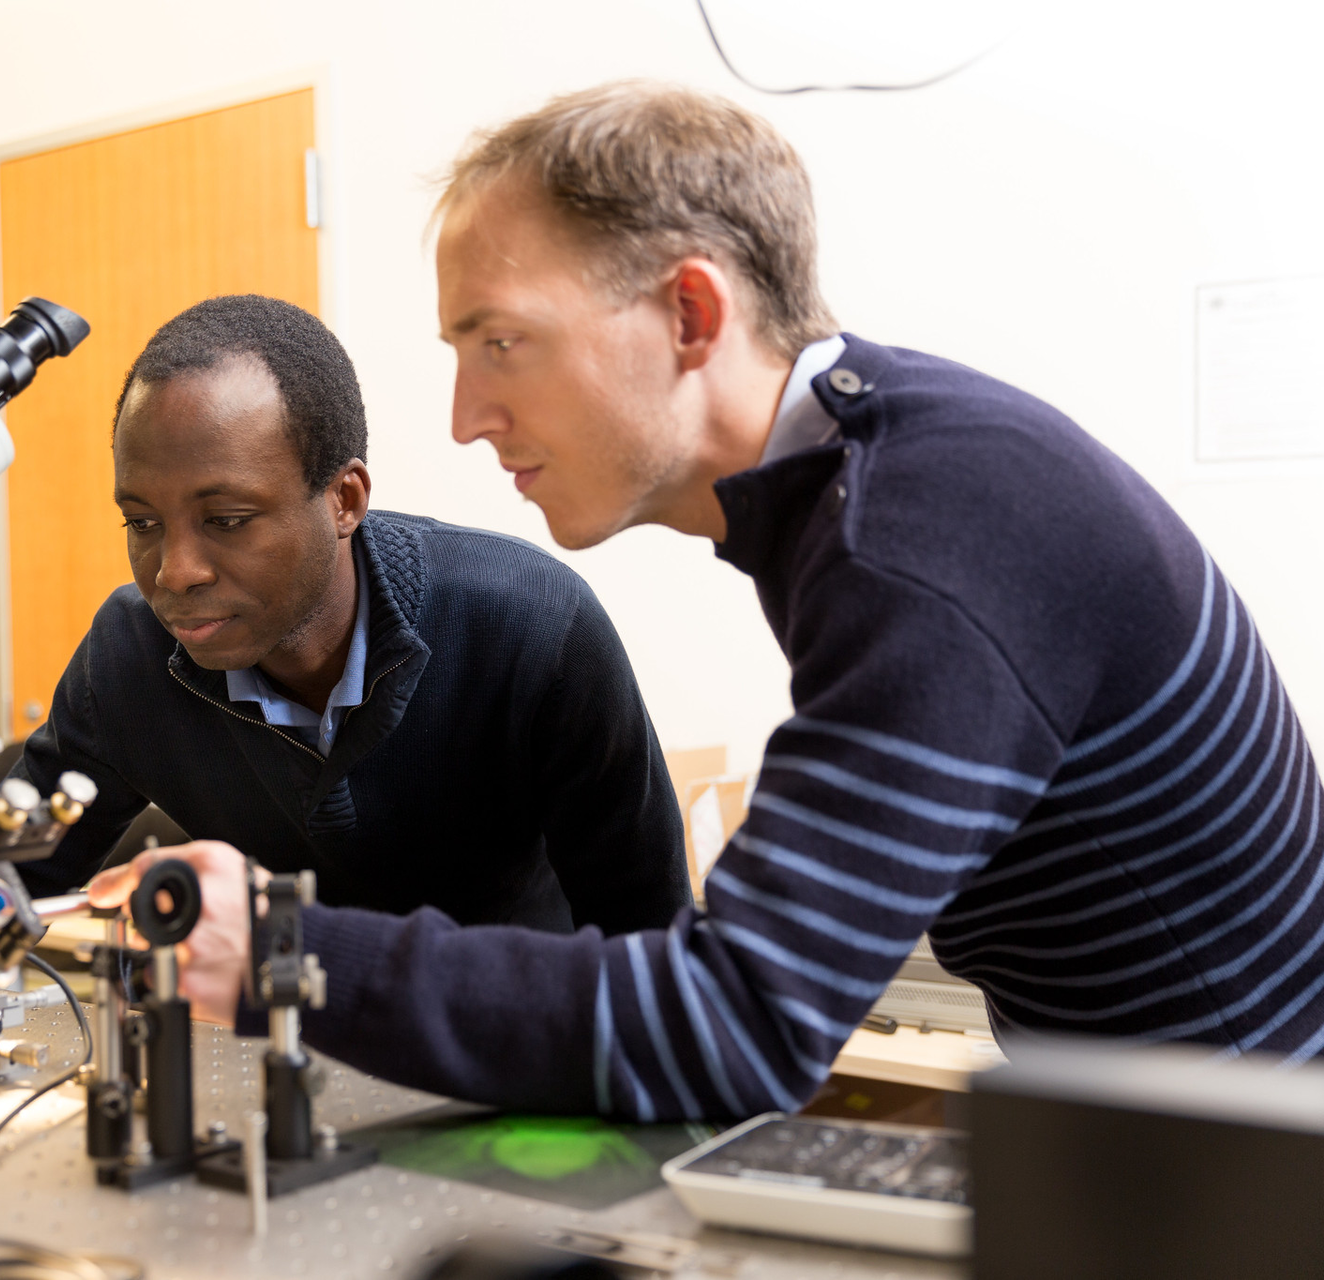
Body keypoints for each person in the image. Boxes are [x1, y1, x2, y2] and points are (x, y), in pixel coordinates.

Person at [92, 82, 1324, 1121]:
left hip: (1250, 1162)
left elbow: (735, 1024)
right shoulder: (873, 478)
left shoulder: (923, 535)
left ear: (689, 314)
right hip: (1144, 1117)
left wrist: (281, 950)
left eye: (501, 344)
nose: (466, 416)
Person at [0, 294, 690, 981]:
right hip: (272, 1051)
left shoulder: (531, 627)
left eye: (228, 519)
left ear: (345, 500)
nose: (174, 571)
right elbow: (17, 865)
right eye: (141, 521)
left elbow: (652, 943)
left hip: (508, 1063)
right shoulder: (129, 656)